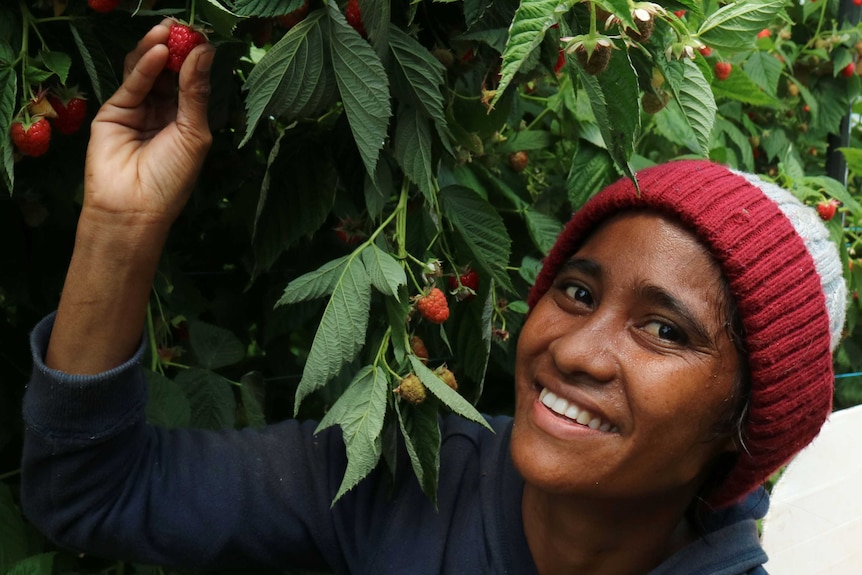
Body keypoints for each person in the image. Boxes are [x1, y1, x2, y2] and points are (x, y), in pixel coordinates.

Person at [21, 21, 847, 575]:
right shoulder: (402, 474)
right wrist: (120, 224)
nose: (575, 348)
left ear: (747, 417)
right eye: (576, 289)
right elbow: (93, 490)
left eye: (664, 329)